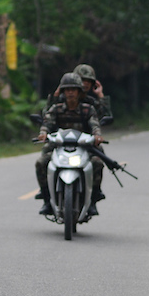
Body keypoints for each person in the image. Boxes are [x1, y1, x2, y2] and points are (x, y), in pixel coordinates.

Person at [35, 73, 106, 216]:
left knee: (98, 163)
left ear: (79, 92)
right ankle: (47, 199)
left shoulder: (88, 109)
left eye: (73, 89)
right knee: (41, 162)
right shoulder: (56, 108)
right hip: (59, 146)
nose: (70, 93)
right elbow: (47, 123)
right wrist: (43, 133)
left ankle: (93, 200)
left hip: (84, 146)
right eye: (67, 90)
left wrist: (97, 135)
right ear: (63, 92)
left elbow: (94, 125)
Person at [44, 64, 113, 124]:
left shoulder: (91, 103)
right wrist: (56, 95)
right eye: (83, 80)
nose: (86, 83)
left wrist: (100, 95)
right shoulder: (62, 100)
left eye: (89, 81)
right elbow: (47, 117)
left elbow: (105, 117)